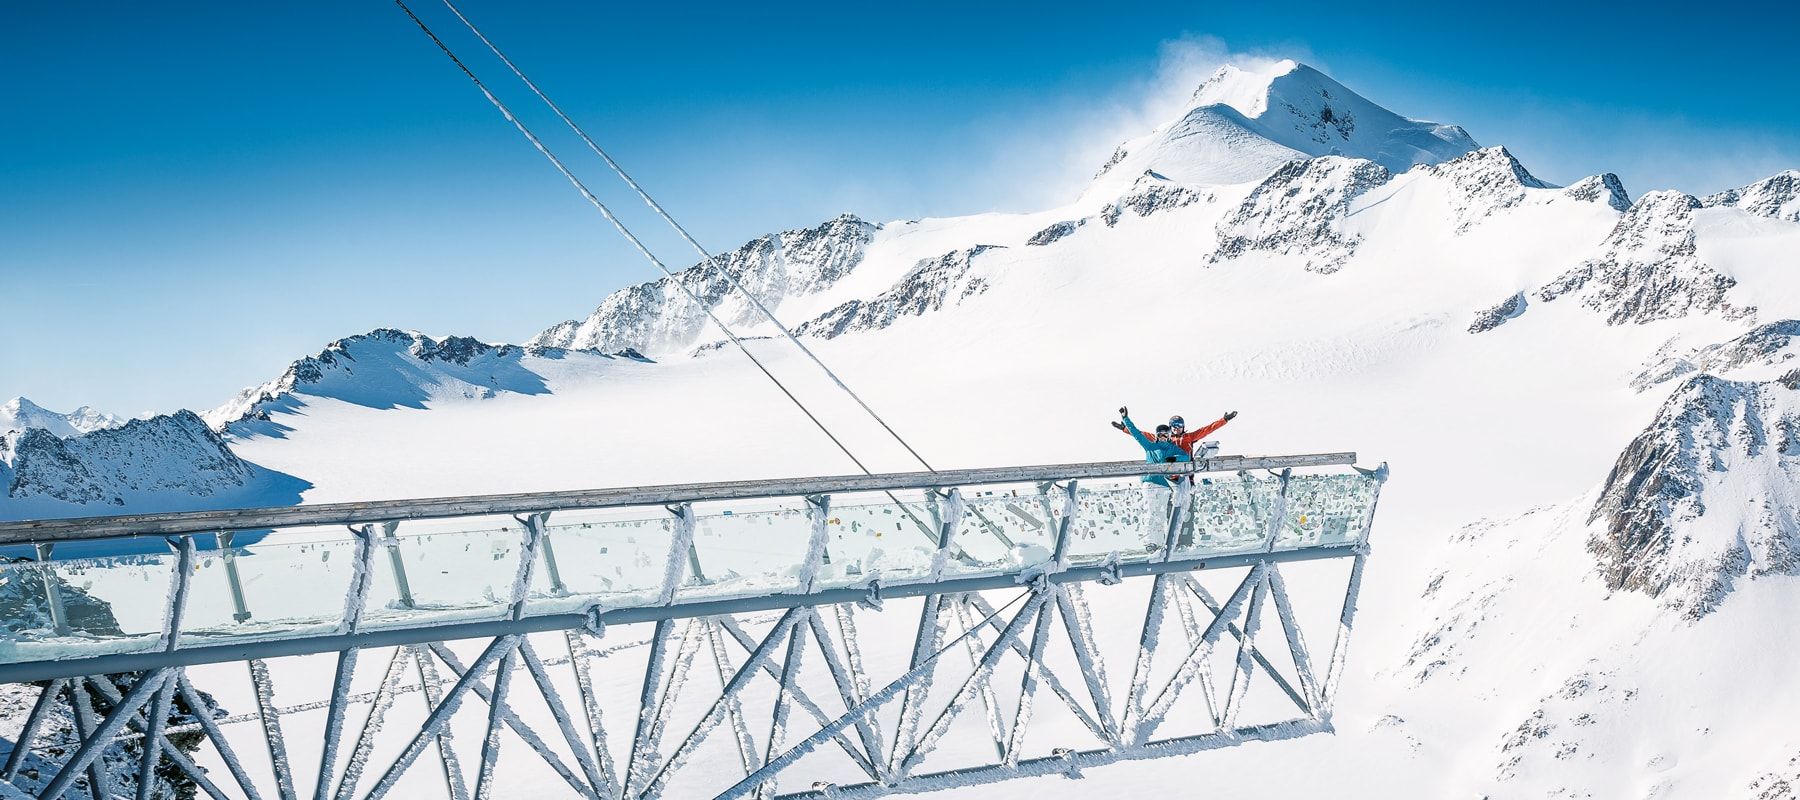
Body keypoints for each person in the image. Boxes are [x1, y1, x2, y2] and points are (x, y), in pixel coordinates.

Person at [1117, 411, 1239, 457]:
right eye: (1174, 426)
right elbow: (1141, 435)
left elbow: (1207, 429)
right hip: (1169, 468)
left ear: (1183, 427)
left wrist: (1224, 420)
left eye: (1179, 426)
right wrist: (1125, 429)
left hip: (1185, 467)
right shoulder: (1163, 438)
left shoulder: (1189, 437)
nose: (1176, 429)